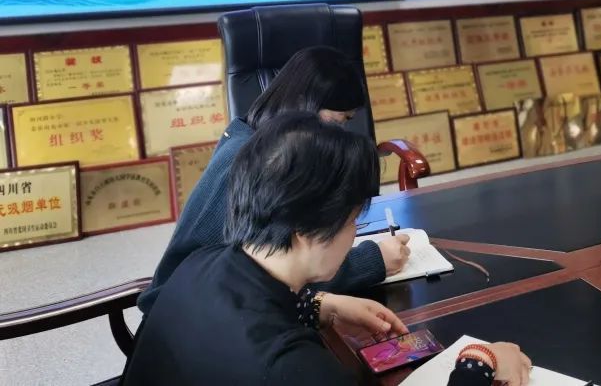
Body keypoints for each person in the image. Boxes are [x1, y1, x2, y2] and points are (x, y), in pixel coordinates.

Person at [123, 112, 532, 385]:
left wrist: (320, 305)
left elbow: (243, 310)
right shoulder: (292, 368)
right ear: (305, 229)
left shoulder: (202, 262)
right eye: (353, 222)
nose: (354, 236)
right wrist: (480, 361)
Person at [137, 46, 410, 314]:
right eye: (337, 121)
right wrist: (371, 261)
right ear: (304, 105)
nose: (338, 134)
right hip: (189, 311)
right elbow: (277, 264)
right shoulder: (253, 164)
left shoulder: (254, 141)